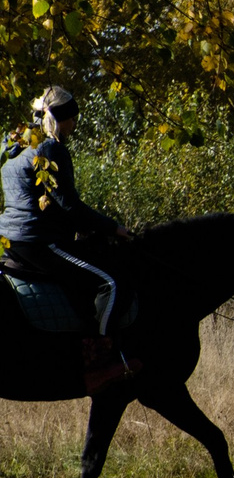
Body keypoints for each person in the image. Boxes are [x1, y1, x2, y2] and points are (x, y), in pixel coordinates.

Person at [0, 85, 142, 388]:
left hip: (11, 241)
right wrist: (113, 228)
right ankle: (100, 364)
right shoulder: (50, 148)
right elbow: (69, 205)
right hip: (39, 242)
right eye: (73, 120)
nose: (75, 126)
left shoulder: (12, 142)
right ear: (60, 118)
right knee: (111, 283)